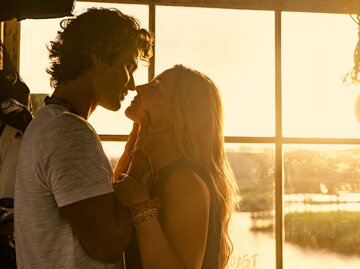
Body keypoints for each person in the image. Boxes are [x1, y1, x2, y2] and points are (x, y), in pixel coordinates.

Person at [14, 7, 153, 268]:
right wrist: (138, 196)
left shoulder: (51, 123)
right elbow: (108, 245)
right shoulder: (69, 133)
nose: (133, 84)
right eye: (128, 66)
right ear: (98, 55)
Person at [112, 64, 239, 269]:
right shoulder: (150, 169)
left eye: (155, 87)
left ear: (177, 113)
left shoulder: (185, 181)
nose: (139, 88)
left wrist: (140, 207)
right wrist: (136, 136)